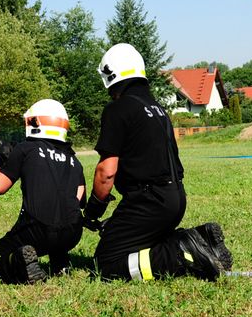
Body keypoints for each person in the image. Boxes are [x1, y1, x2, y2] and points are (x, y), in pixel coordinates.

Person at [81, 43, 232, 282]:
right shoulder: (157, 109)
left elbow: (106, 172)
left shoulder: (118, 109)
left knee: (106, 264)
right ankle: (202, 239)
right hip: (174, 197)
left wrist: (93, 209)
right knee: (137, 245)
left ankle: (180, 254)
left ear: (111, 75)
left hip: (147, 202)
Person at [0, 99, 86, 284]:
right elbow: (79, 198)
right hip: (73, 233)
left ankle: (19, 261)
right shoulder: (74, 159)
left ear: (35, 122)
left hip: (37, 231)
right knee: (60, 219)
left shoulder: (26, 148)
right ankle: (60, 262)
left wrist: (2, 160)